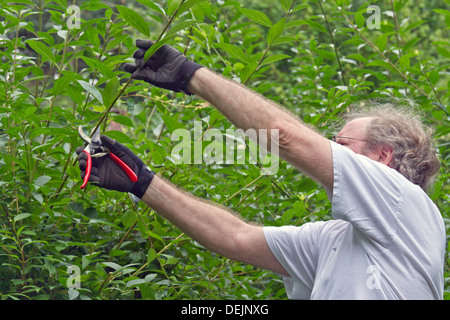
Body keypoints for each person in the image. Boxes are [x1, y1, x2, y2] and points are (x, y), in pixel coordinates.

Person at [77, 40, 445, 300]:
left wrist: (191, 75)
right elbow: (234, 237)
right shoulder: (337, 239)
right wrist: (142, 182)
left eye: (341, 144)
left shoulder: (404, 205)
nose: (331, 150)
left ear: (383, 155)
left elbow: (287, 137)